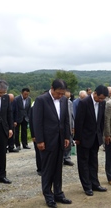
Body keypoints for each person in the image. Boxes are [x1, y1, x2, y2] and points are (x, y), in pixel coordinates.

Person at [33, 79, 72, 207]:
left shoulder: (64, 100)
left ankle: (58, 193)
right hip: (47, 140)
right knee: (48, 169)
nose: (60, 96)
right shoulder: (41, 100)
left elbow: (65, 119)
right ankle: (48, 195)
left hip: (60, 139)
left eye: (62, 93)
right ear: (52, 88)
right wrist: (39, 140)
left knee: (58, 169)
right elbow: (37, 121)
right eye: (58, 93)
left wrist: (67, 136)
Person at [74, 85, 108, 196]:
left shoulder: (102, 103)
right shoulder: (84, 103)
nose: (101, 100)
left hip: (95, 138)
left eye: (103, 98)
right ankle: (87, 186)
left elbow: (101, 121)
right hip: (84, 138)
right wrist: (77, 138)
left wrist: (101, 135)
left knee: (94, 162)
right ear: (95, 93)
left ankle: (95, 184)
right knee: (83, 162)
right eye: (100, 98)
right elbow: (79, 121)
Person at [63, 89, 75, 166]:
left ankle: (67, 158)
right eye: (66, 97)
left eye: (69, 98)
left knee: (69, 143)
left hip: (69, 126)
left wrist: (73, 126)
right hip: (62, 127)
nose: (67, 99)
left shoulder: (70, 103)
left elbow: (72, 115)